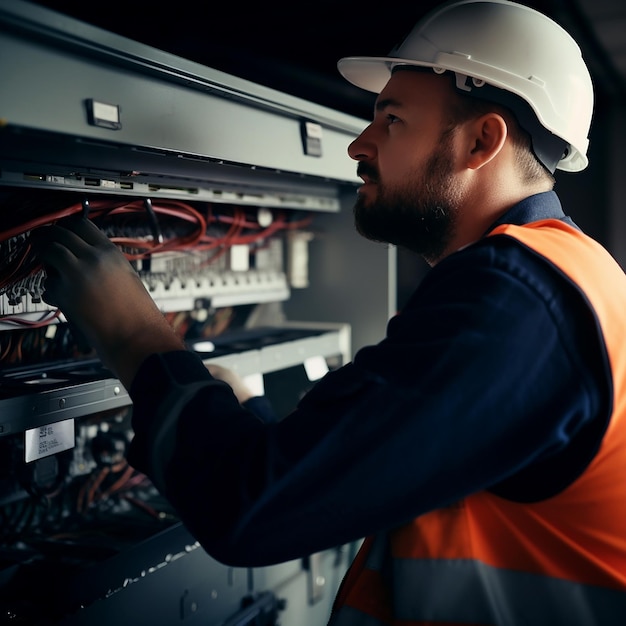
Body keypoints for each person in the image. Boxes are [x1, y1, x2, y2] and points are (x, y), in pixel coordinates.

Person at [31, 0, 626, 623]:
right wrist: (245, 419)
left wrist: (130, 330)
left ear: (483, 140)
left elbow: (250, 512)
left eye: (391, 121)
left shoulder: (515, 297)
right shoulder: (568, 272)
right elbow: (374, 462)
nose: (358, 146)